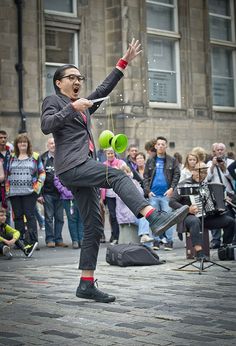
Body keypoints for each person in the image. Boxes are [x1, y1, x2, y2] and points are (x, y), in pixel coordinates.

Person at [41, 38, 188, 303]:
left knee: (94, 227)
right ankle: (152, 216)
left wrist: (123, 63)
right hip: (72, 166)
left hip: (81, 167)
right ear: (58, 82)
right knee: (118, 174)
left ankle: (86, 283)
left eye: (79, 77)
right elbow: (46, 124)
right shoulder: (53, 101)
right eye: (71, 77)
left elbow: (103, 88)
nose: (77, 81)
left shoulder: (84, 106)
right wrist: (73, 107)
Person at [169, 162, 235, 260]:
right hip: (188, 217)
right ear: (192, 171)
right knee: (195, 221)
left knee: (230, 221)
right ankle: (199, 253)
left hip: (206, 218)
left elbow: (224, 197)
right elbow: (172, 202)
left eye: (203, 172)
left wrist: (227, 199)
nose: (200, 174)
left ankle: (224, 249)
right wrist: (188, 209)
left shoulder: (207, 185)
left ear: (206, 174)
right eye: (197, 171)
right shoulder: (183, 185)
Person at [5, 134, 45, 248]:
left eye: (25, 142)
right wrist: (8, 190)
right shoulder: (11, 157)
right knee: (17, 216)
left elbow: (42, 172)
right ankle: (20, 242)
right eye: (20, 142)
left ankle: (33, 241)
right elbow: (7, 173)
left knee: (30, 216)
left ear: (28, 144)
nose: (23, 144)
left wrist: (37, 187)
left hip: (29, 192)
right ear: (17, 145)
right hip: (14, 193)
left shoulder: (35, 156)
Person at [143, 136, 180, 250]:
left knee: (168, 218)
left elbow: (176, 175)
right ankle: (156, 241)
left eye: (163, 144)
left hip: (166, 195)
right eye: (158, 144)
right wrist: (148, 191)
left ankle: (169, 242)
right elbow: (145, 177)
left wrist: (172, 189)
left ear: (166, 146)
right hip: (153, 195)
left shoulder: (172, 160)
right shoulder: (150, 160)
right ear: (155, 146)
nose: (160, 146)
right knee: (154, 218)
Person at [39, 137, 67, 248]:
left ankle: (58, 239)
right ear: (47, 145)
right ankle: (50, 240)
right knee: (49, 218)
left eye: (55, 143)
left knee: (60, 218)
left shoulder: (62, 157)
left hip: (61, 193)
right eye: (51, 143)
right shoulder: (43, 158)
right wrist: (39, 194)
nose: (53, 145)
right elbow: (39, 177)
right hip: (48, 193)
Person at [207, 142, 235, 248]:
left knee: (229, 217)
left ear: (225, 151)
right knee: (215, 217)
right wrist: (213, 166)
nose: (219, 151)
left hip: (229, 195)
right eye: (217, 150)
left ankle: (227, 241)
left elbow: (233, 178)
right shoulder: (210, 163)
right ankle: (216, 240)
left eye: (221, 149)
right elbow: (207, 178)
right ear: (214, 151)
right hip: (215, 195)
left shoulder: (231, 162)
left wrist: (224, 168)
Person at [100, 148, 126, 244]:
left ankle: (120, 236)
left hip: (119, 194)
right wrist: (101, 198)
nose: (110, 155)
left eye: (111, 153)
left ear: (114, 154)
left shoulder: (120, 163)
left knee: (121, 215)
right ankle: (115, 236)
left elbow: (126, 172)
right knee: (113, 215)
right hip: (109, 195)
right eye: (108, 153)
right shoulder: (104, 165)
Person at [54, 175, 84, 249]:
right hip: (67, 198)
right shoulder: (62, 165)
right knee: (72, 219)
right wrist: (63, 190)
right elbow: (56, 180)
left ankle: (82, 239)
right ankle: (75, 240)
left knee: (81, 218)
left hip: (80, 195)